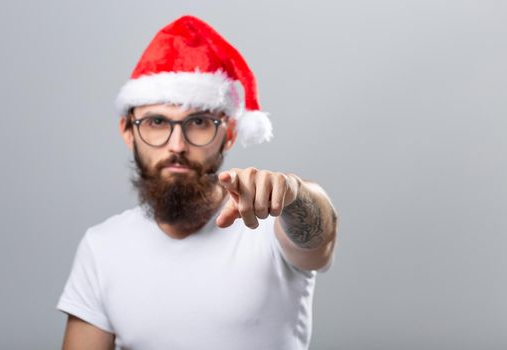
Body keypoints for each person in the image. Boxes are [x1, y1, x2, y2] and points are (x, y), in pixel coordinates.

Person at [57, 15, 338, 350]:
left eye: (200, 122)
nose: (177, 145)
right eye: (157, 122)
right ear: (128, 131)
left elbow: (321, 237)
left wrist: (294, 194)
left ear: (229, 133)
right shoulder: (102, 247)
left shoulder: (270, 219)